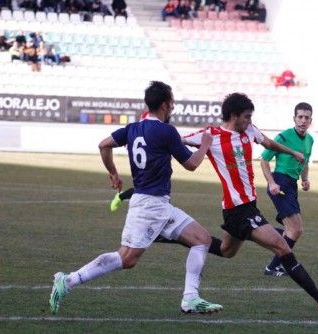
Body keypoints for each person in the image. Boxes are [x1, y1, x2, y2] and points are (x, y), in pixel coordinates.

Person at [49, 81, 223, 315]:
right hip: (149, 206)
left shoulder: (133, 129)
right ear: (164, 105)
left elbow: (104, 145)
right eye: (171, 102)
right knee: (127, 258)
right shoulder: (166, 131)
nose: (172, 106)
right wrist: (205, 144)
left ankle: (190, 298)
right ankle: (68, 280)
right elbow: (192, 164)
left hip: (159, 204)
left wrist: (113, 172)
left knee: (201, 239)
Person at [183, 93, 318, 315]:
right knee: (282, 247)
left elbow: (268, 143)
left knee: (227, 251)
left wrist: (292, 152)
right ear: (234, 115)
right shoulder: (211, 135)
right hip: (238, 210)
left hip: (246, 207)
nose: (249, 121)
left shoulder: (249, 130)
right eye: (246, 117)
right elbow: (177, 140)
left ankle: (174, 235)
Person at [260, 102, 314, 277]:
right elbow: (264, 160)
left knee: (292, 230)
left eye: (306, 118)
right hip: (280, 183)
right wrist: (271, 183)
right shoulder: (283, 137)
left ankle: (257, 232)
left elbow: (305, 161)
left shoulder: (310, 140)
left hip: (291, 185)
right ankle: (273, 266)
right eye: (300, 117)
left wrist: (305, 179)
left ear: (311, 120)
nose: (303, 121)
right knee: (296, 229)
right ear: (294, 118)